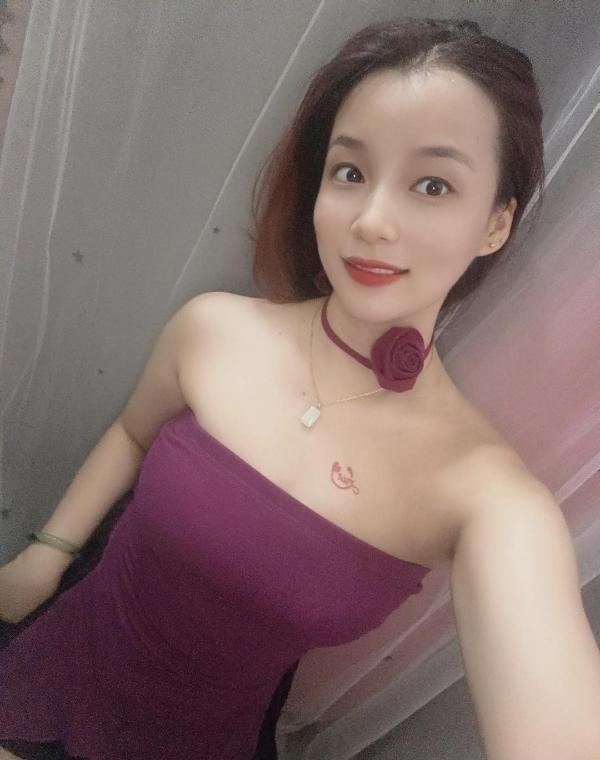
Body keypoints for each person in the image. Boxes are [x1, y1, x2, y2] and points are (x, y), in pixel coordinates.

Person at [2, 15, 599, 760]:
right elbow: (132, 432)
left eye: (433, 184)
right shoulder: (215, 329)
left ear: (495, 224)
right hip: (64, 651)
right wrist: (47, 555)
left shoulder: (484, 494)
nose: (371, 221)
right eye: (349, 172)